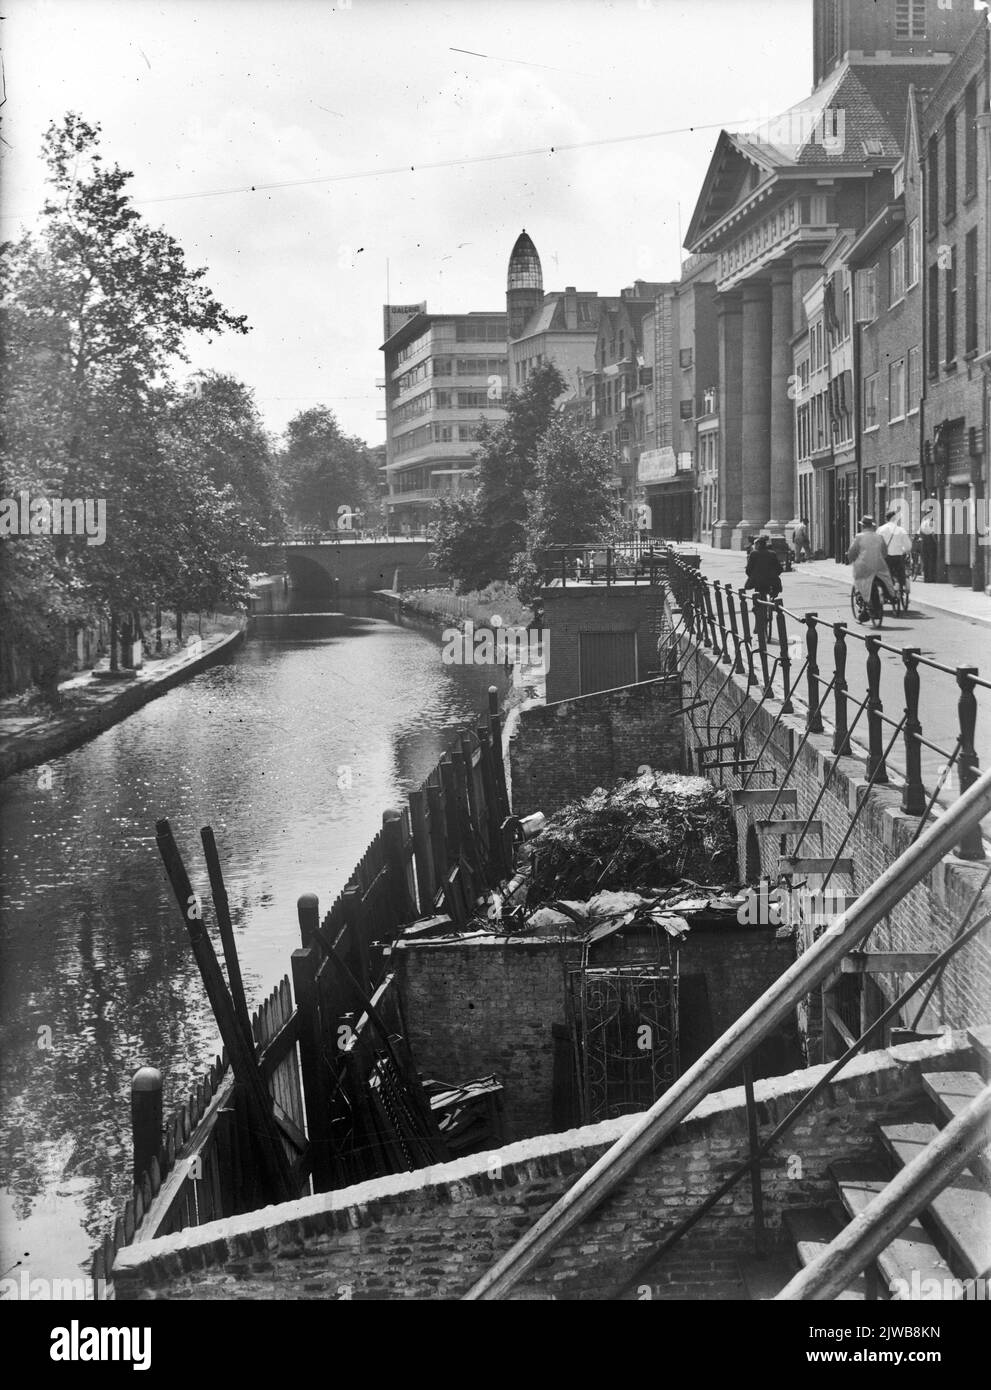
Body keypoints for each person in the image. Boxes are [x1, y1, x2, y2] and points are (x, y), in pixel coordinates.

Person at [847, 515, 892, 618]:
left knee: (859, 581)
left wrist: (850, 559)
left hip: (864, 568)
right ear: (872, 526)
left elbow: (852, 552)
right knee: (883, 580)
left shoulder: (859, 537)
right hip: (879, 567)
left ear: (863, 526)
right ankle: (886, 596)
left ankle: (863, 605)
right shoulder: (879, 537)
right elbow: (885, 552)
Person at [745, 536, 783, 637]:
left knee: (757, 602)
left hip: (759, 583)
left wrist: (753, 577)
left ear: (757, 545)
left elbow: (748, 570)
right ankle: (771, 607)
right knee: (773, 595)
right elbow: (779, 569)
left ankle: (758, 623)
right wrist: (774, 576)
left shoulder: (754, 554)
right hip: (772, 583)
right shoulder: (772, 554)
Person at [877, 508, 911, 592]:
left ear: (886, 518)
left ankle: (886, 589)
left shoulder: (881, 529)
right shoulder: (901, 530)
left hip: (886, 557)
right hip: (898, 557)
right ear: (895, 519)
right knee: (901, 571)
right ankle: (902, 586)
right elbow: (908, 545)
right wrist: (903, 550)